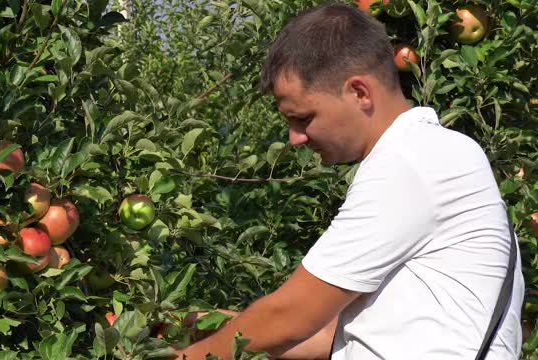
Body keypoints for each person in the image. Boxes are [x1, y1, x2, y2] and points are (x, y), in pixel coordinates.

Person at [174, 3, 525, 359]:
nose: (295, 138)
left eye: (303, 118)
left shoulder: (410, 161)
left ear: (359, 92)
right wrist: (206, 325)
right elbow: (334, 334)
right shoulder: (435, 155)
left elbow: (292, 315)